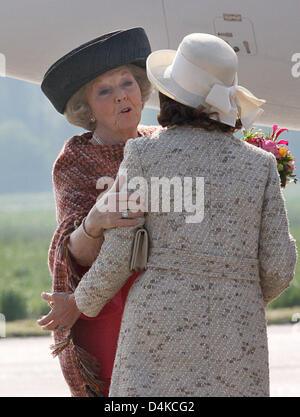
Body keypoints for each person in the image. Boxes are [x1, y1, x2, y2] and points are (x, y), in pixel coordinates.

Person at [64, 33, 297, 396]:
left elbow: (120, 254)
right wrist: (235, 291)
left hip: (154, 332)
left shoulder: (144, 155)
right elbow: (280, 267)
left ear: (171, 95)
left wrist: (80, 302)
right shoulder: (260, 166)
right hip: (235, 334)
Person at [37, 27, 160, 397]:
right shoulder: (76, 158)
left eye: (127, 82)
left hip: (167, 302)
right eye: (104, 90)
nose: (122, 94)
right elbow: (73, 251)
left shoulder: (163, 143)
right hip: (107, 307)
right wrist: (93, 223)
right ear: (86, 108)